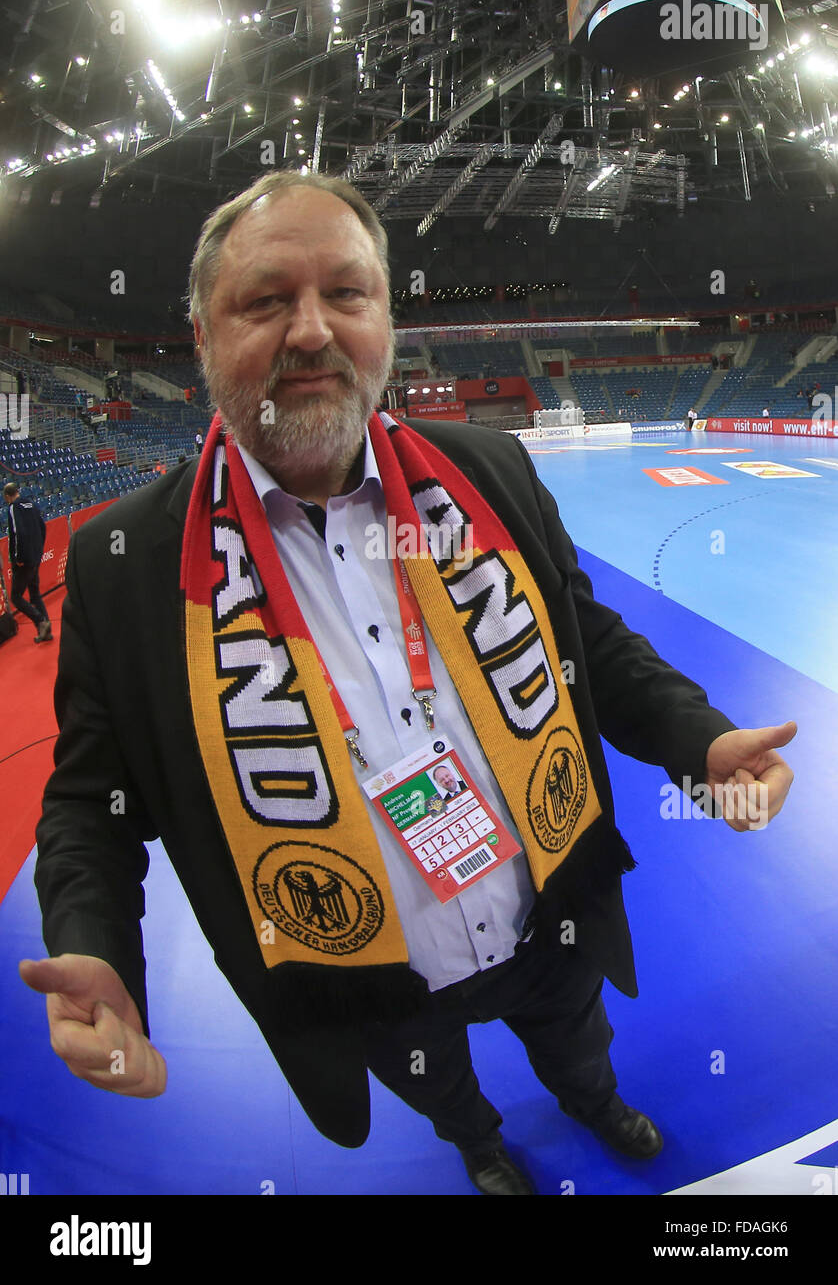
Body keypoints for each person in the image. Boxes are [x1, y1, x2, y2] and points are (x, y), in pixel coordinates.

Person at [20, 171, 796, 1197]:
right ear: (201, 338)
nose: (311, 331)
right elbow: (88, 805)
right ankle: (478, 1141)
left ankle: (592, 1101)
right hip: (364, 971)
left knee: (577, 1042)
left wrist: (697, 743)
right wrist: (97, 947)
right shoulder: (128, 562)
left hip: (546, 900)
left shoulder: (490, 470)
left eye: (347, 294)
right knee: (442, 1090)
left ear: (387, 320)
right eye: (264, 300)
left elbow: (586, 646)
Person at [2, 482, 52, 642]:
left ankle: (40, 621)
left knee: (16, 597)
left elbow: (17, 533)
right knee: (35, 594)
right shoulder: (31, 503)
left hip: (24, 559)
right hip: (36, 556)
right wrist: (38, 549)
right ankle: (46, 629)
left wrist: (18, 558)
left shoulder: (14, 507)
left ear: (7, 496)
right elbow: (42, 527)